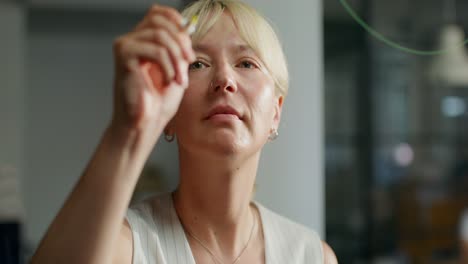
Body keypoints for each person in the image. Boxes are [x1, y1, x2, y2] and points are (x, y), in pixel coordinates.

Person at [30, 0, 337, 263]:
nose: (224, 80)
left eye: (246, 63)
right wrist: (127, 129)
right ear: (170, 115)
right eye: (198, 64)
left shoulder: (311, 255)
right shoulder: (127, 246)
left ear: (276, 112)